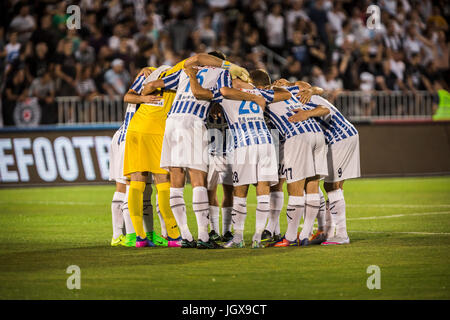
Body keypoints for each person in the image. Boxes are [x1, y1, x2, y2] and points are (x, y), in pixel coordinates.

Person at [123, 52, 249, 248]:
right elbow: (210, 93)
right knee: (198, 178)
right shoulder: (221, 74)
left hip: (171, 123)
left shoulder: (184, 70)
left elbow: (153, 85)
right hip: (192, 122)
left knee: (176, 178)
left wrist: (147, 98)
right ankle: (203, 237)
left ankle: (185, 236)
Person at [186, 67, 291, 248]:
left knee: (240, 192)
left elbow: (198, 93)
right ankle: (257, 238)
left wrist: (192, 76)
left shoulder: (224, 93)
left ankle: (238, 237)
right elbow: (286, 96)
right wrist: (282, 86)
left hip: (244, 144)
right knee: (263, 188)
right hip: (265, 142)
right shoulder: (258, 91)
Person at [251, 74, 329, 247]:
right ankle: (305, 235)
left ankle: (291, 237)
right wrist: (308, 105)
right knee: (312, 186)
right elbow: (324, 108)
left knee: (295, 189)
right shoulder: (289, 90)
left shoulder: (260, 94)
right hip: (317, 134)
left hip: (296, 136)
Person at [109, 66, 173, 247]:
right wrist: (144, 97)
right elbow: (128, 96)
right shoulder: (148, 78)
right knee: (127, 186)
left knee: (146, 189)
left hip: (139, 137)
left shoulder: (161, 84)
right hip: (128, 138)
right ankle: (126, 235)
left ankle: (147, 234)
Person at [297, 90, 361, 245]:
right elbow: (319, 89)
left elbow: (325, 110)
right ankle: (329, 231)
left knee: (331, 186)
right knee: (334, 185)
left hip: (340, 138)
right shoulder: (306, 92)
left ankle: (342, 234)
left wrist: (306, 114)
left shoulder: (300, 96)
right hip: (345, 135)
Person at [205, 106, 234, 243]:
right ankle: (214, 230)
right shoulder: (206, 106)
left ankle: (227, 230)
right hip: (210, 154)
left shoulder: (230, 104)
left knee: (229, 191)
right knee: (210, 192)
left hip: (228, 154)